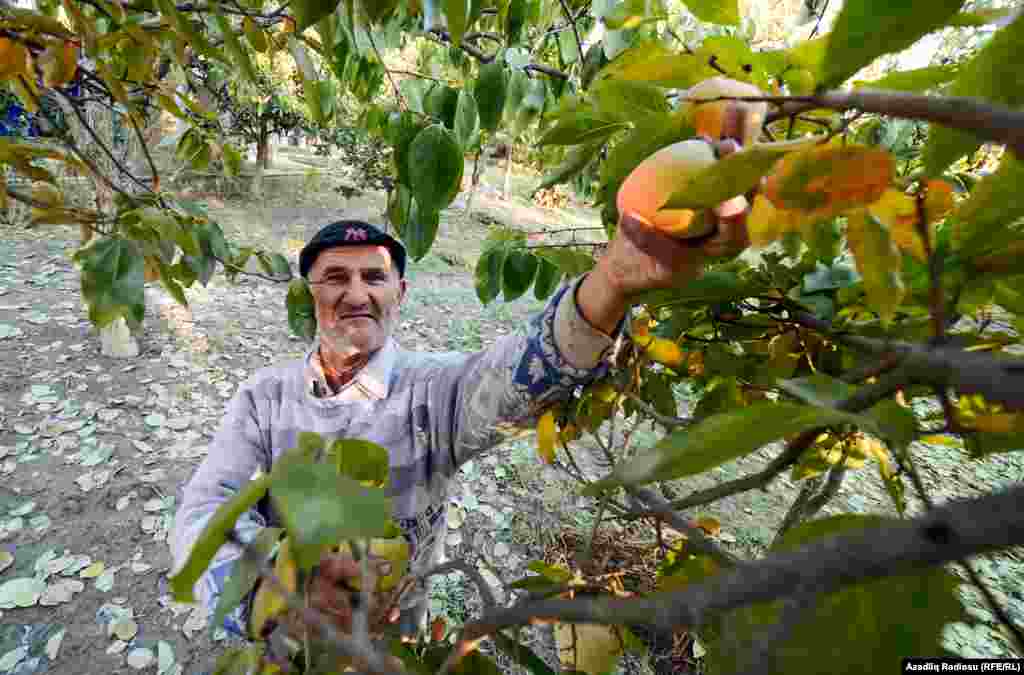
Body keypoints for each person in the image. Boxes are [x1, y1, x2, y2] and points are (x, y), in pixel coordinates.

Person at [168, 129, 751, 647]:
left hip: (395, 645)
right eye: (334, 278)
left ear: (401, 294)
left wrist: (613, 281)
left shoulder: (434, 392)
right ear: (310, 296)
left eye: (375, 277)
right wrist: (277, 591)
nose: (356, 293)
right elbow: (202, 512)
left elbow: (518, 376)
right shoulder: (264, 398)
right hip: (282, 644)